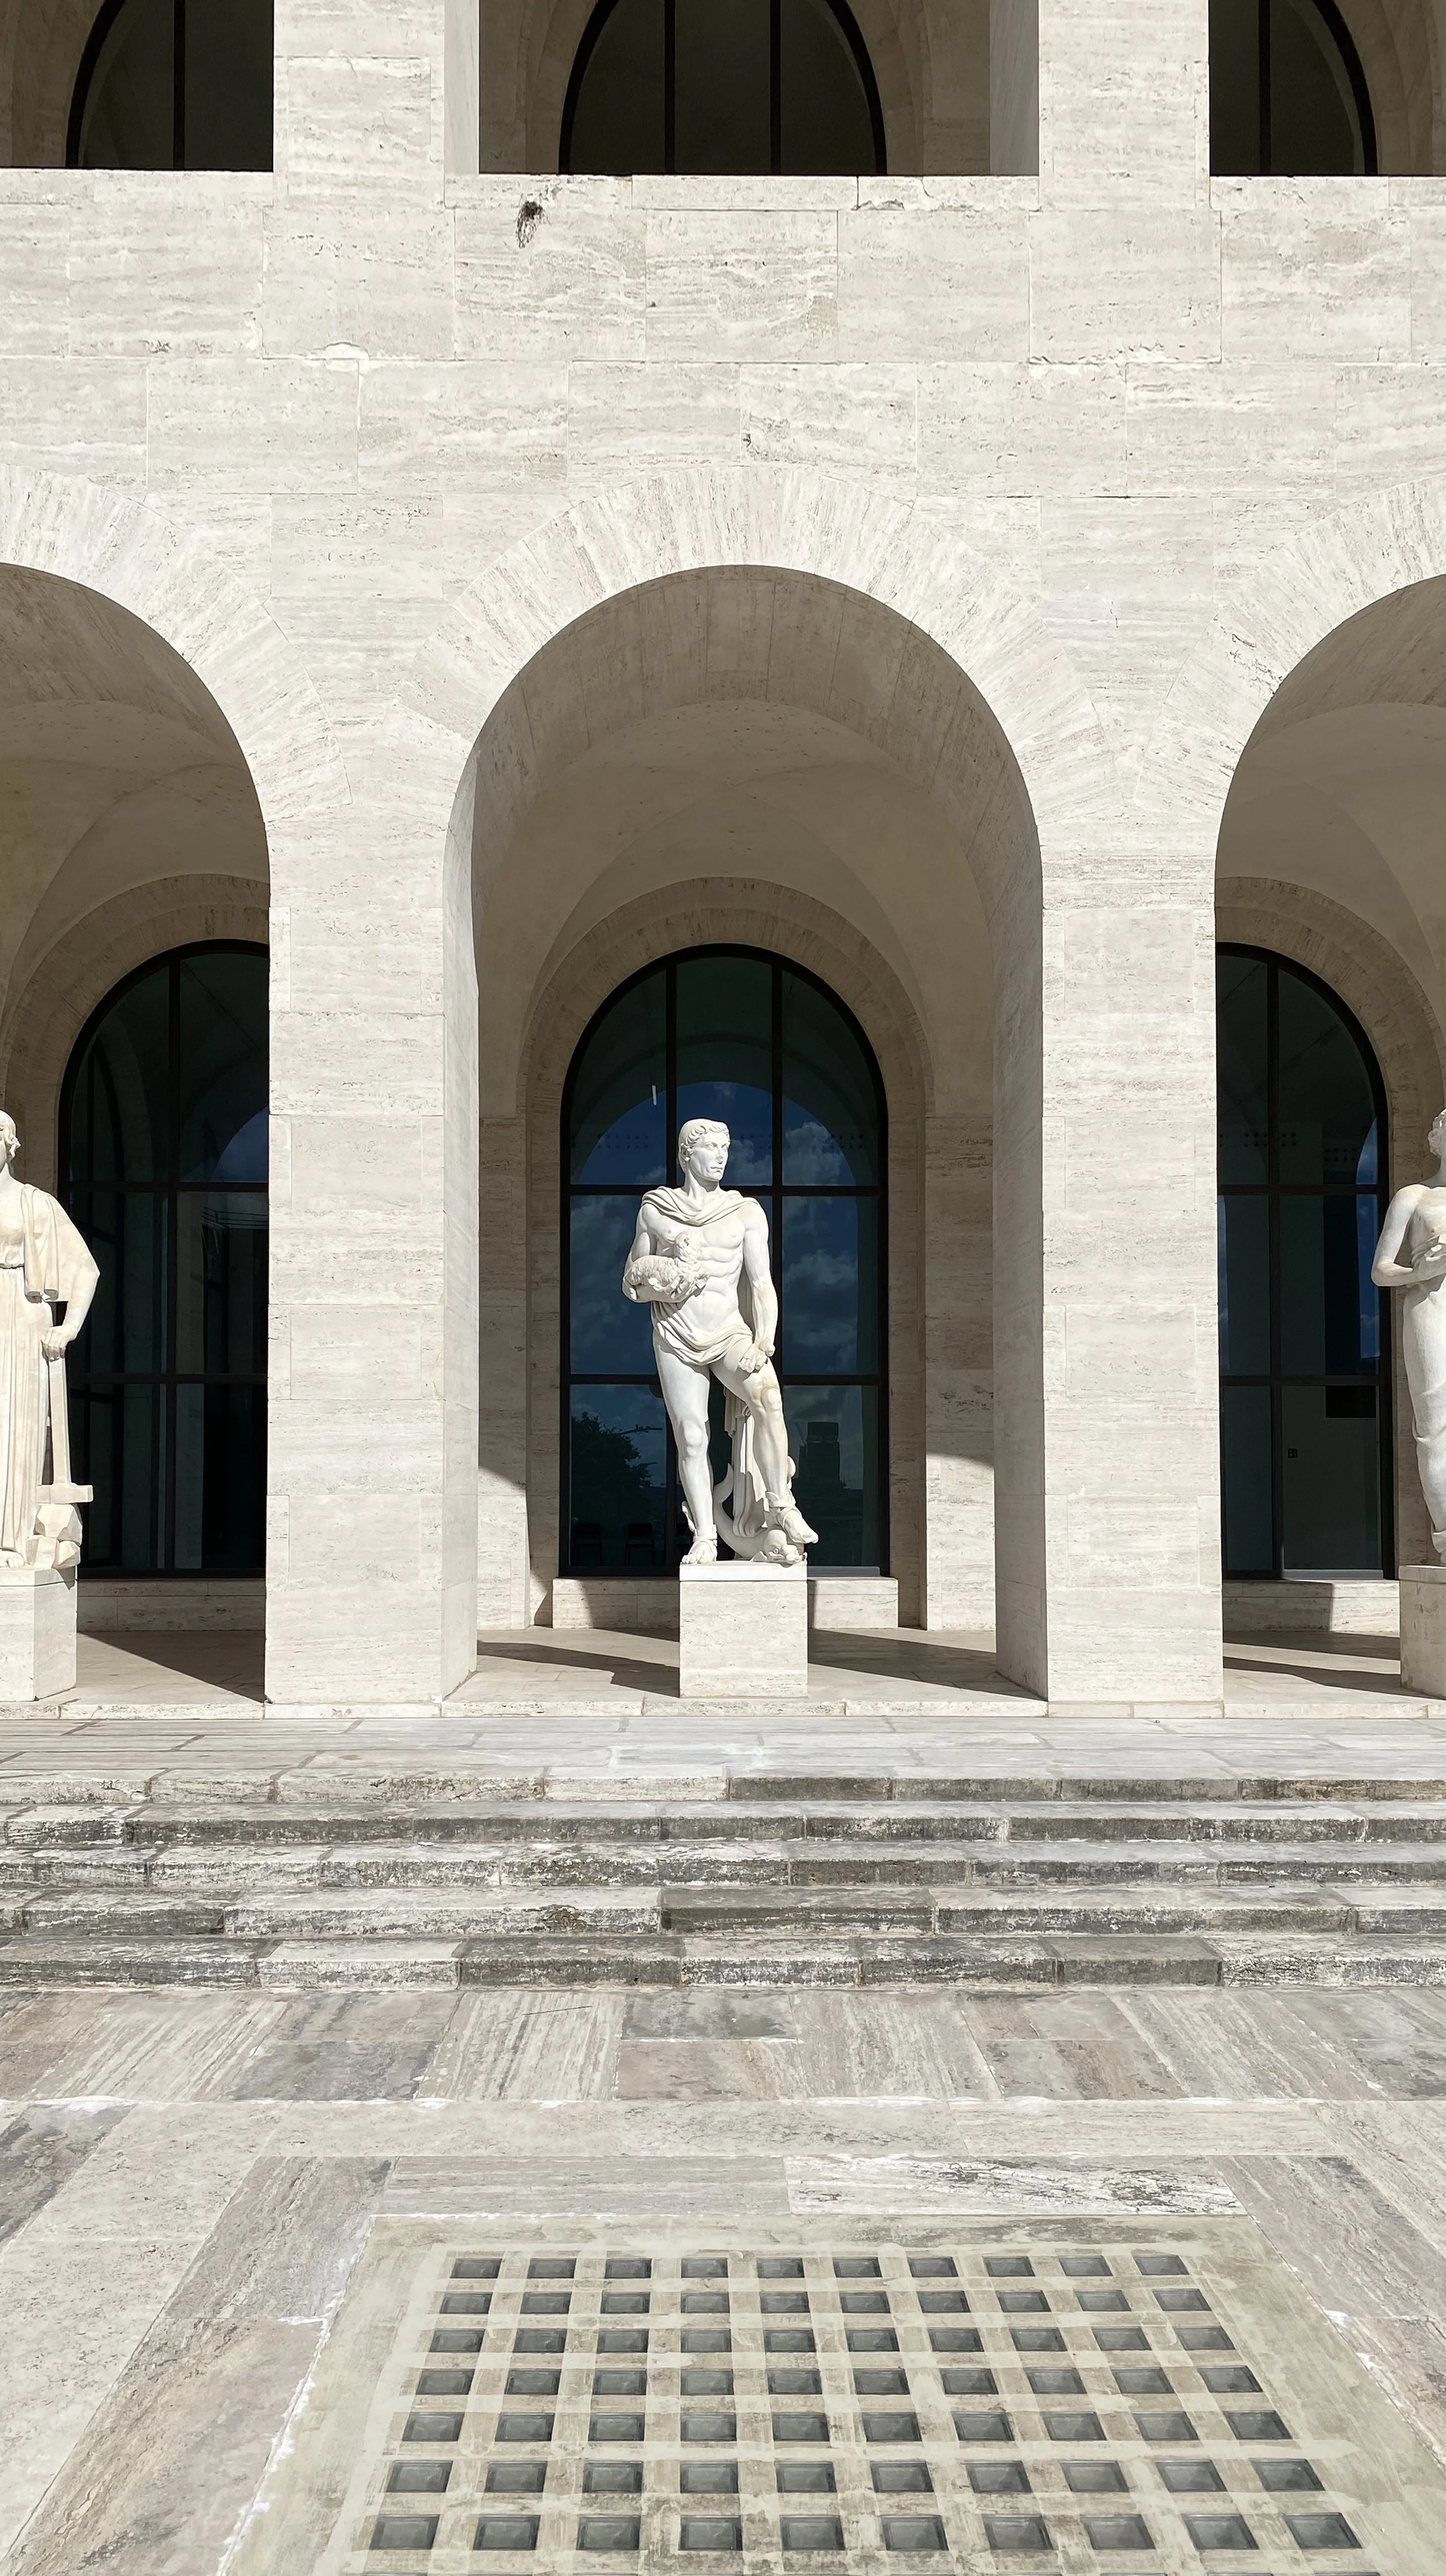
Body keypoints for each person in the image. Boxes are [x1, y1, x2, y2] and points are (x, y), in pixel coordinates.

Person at [622, 1116, 817, 1565]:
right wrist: (665, 1279)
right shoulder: (656, 1209)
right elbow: (631, 1280)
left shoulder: (745, 1212)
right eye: (712, 1148)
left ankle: (781, 1505)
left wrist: (764, 1340)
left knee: (768, 1398)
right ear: (687, 1155)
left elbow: (762, 1284)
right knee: (692, 1437)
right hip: (675, 1330)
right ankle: (706, 1537)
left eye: (726, 1148)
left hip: (730, 1331)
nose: (722, 1156)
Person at [0, 1111, 98, 1569]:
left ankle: (12, 1540)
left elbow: (85, 1268)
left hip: (21, 1314)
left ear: (11, 1144)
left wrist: (69, 1327)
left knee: (17, 1430)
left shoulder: (34, 1204)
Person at [1372, 1106, 1446, 1556]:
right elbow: (1381, 1270)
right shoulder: (1414, 1196)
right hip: (1431, 1308)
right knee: (1435, 1427)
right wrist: (1426, 1269)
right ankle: (1445, 1537)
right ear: (1437, 1139)